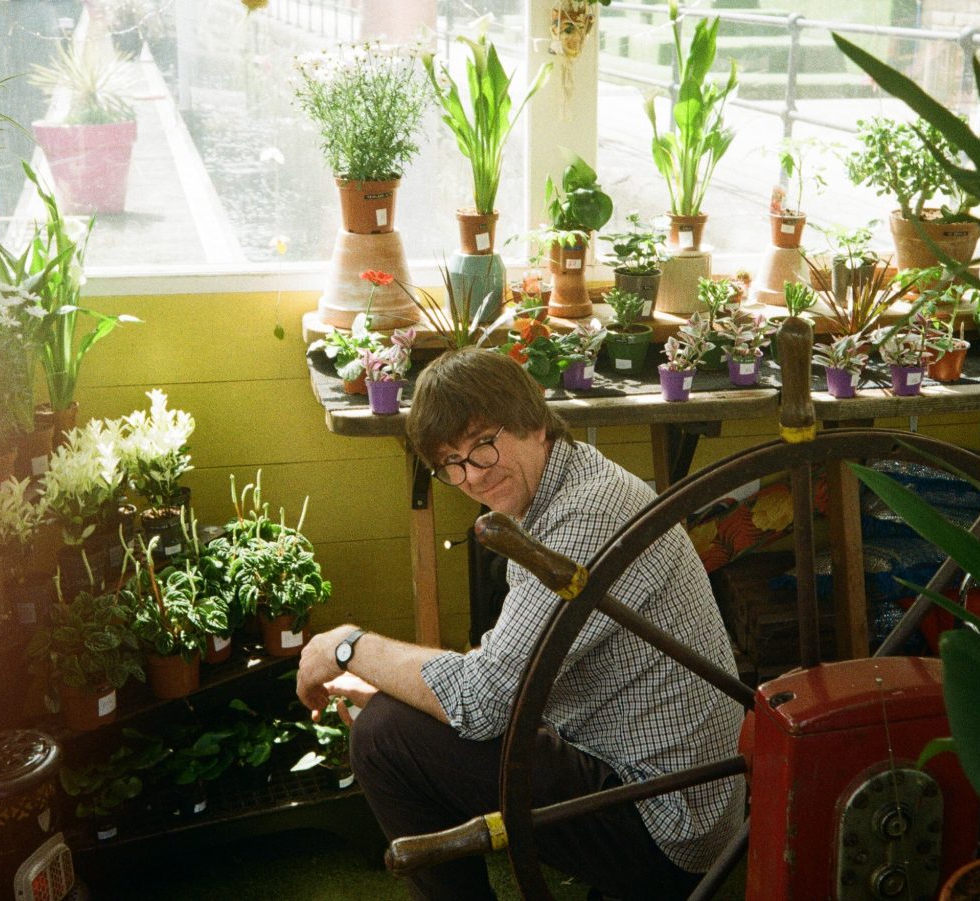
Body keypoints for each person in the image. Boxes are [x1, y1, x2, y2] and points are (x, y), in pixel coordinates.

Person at [296, 348, 745, 900]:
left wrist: (345, 646)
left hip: (667, 822)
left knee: (383, 736)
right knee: (398, 711)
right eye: (452, 462)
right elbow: (503, 673)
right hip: (642, 777)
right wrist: (392, 679)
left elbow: (483, 701)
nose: (474, 476)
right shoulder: (567, 489)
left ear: (534, 422)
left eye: (484, 442)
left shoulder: (584, 515)